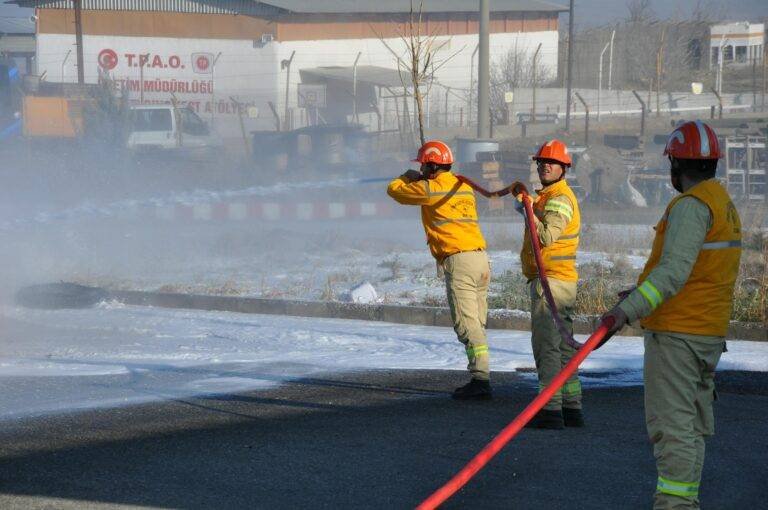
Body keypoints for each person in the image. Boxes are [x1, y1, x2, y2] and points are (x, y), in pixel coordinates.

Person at [602, 120, 742, 509]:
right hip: (705, 332)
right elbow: (698, 271)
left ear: (676, 166)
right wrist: (640, 294)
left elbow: (673, 271)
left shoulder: (691, 207)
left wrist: (623, 312)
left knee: (674, 429)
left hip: (679, 337)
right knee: (692, 428)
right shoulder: (722, 203)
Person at [387, 140, 492, 400]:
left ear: (432, 166)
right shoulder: (463, 186)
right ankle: (481, 374)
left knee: (467, 325)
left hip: (460, 262)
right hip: (480, 260)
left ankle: (481, 380)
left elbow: (395, 191)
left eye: (423, 165)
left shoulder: (433, 188)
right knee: (477, 321)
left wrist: (407, 177)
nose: (420, 169)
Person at [516, 139, 583, 430]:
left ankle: (550, 410)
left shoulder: (558, 199)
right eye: (542, 161)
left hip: (551, 282)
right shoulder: (551, 196)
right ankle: (571, 408)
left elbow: (545, 237)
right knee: (565, 348)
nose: (545, 166)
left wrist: (527, 209)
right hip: (560, 280)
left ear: (564, 168)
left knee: (548, 347)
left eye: (552, 162)